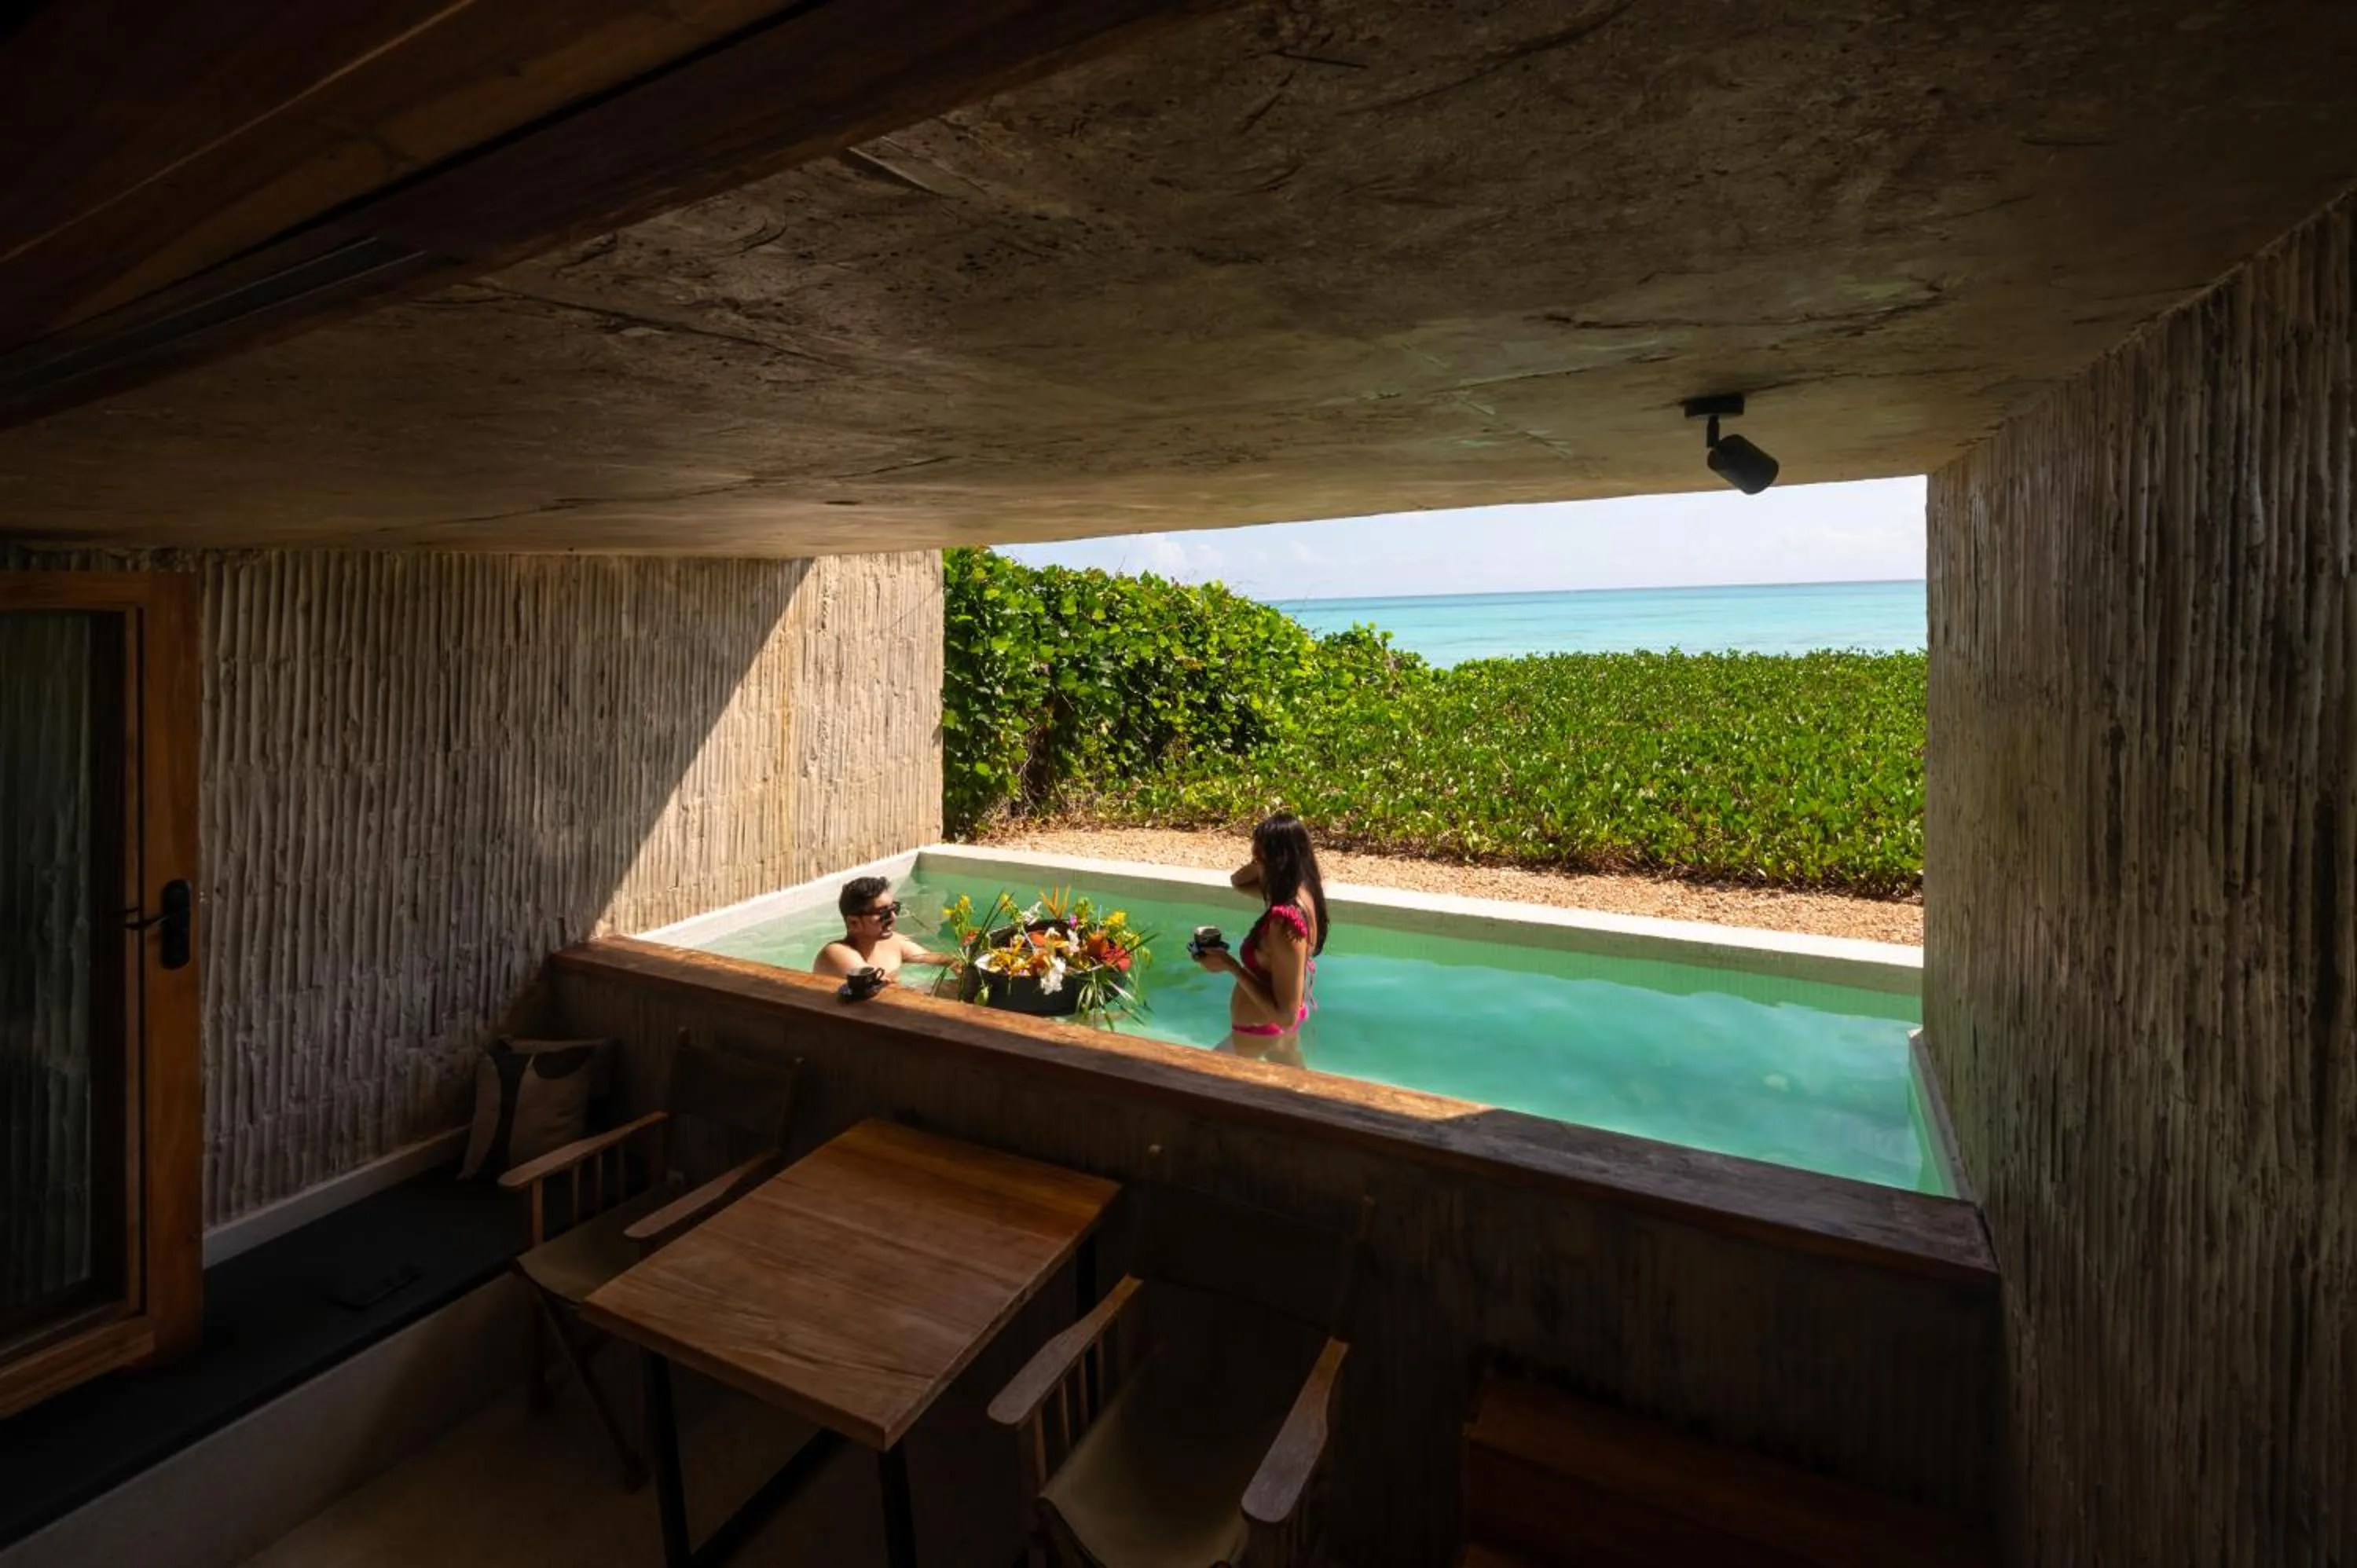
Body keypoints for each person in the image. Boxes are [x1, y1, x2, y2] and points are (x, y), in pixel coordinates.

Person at [1195, 812, 1329, 1064]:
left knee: (1198, 1079)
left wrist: (1230, 965)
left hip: (1258, 1032)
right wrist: (1259, 861)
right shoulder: (1302, 890)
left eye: (1259, 855)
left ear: (1278, 860)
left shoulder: (1284, 921)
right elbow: (1238, 882)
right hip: (1271, 1031)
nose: (1254, 857)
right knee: (1294, 1086)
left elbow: (1285, 1017)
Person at [815, 875, 955, 983]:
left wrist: (960, 964)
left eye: (894, 909)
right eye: (884, 913)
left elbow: (935, 958)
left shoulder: (894, 942)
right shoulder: (835, 953)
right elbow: (878, 987)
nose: (893, 917)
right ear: (854, 922)